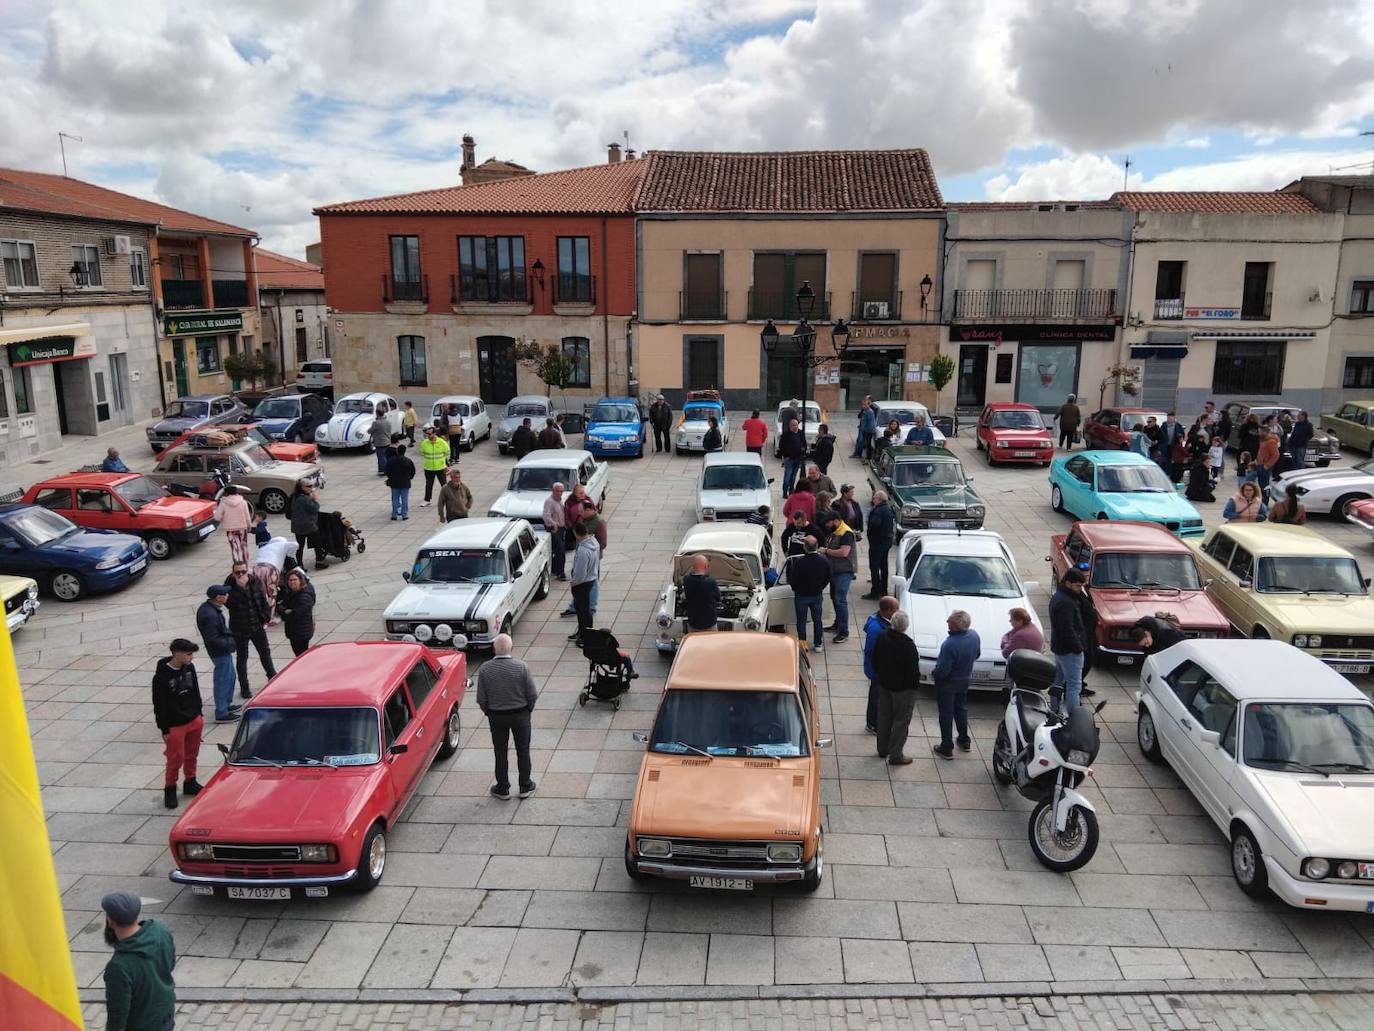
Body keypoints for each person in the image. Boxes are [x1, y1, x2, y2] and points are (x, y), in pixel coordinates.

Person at [100, 891, 176, 1031]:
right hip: (165, 1015)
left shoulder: (118, 967)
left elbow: (118, 1017)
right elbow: (170, 964)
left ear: (109, 921)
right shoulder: (160, 930)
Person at [476, 633, 539, 800]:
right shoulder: (521, 667)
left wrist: (489, 712)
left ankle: (503, 788)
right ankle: (525, 785)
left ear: (494, 648)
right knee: (523, 750)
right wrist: (528, 711)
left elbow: (481, 699)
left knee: (500, 751)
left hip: (497, 716)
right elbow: (532, 694)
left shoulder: (485, 669)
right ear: (511, 648)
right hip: (520, 714)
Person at [152, 638, 204, 809]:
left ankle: (190, 781)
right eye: (189, 654)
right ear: (177, 653)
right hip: (175, 724)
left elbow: (195, 690)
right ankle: (170, 789)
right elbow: (159, 705)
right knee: (175, 758)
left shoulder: (190, 668)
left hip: (194, 719)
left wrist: (199, 714)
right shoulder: (161, 677)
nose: (191, 658)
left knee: (192, 753)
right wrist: (164, 729)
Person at [873, 610, 921, 763]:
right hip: (904, 690)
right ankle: (896, 755)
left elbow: (874, 658)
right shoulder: (908, 645)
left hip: (885, 685)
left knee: (884, 717)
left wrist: (881, 675)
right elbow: (913, 671)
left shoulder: (882, 637)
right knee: (901, 722)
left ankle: (882, 749)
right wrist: (914, 687)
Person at [931, 610, 980, 759]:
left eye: (950, 621)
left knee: (946, 714)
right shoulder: (973, 636)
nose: (947, 621)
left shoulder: (950, 644)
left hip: (947, 684)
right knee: (961, 709)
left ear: (956, 626)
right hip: (964, 680)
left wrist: (935, 673)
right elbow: (977, 654)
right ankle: (964, 740)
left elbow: (943, 670)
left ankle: (946, 747)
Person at [226, 562, 276, 700]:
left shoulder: (254, 581)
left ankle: (272, 677)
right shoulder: (229, 586)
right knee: (242, 658)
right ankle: (244, 687)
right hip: (239, 628)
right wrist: (240, 589)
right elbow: (230, 604)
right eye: (237, 572)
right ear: (233, 573)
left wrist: (266, 616)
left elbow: (261, 598)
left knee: (265, 653)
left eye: (243, 571)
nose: (241, 575)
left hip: (256, 626)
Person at [196, 584, 239, 723]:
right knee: (223, 679)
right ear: (218, 597)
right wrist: (231, 643)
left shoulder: (210, 609)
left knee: (230, 676)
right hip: (220, 652)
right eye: (225, 594)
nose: (227, 596)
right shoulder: (210, 615)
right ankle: (222, 712)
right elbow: (213, 639)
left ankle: (226, 704)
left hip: (222, 650)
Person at [1048, 570, 1087, 714]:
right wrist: (1078, 647)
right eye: (1077, 586)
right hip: (1070, 651)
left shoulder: (1059, 596)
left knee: (1057, 682)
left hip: (1060, 648)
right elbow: (1067, 629)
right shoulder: (1066, 602)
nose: (1080, 589)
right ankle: (1074, 718)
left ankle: (1054, 710)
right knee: (1074, 687)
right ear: (1068, 583)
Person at [788, 536, 831, 652]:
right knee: (817, 620)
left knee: (801, 620)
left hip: (801, 595)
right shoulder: (824, 561)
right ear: (817, 546)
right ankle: (818, 644)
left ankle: (803, 643)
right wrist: (820, 587)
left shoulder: (799, 562)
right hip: (817, 594)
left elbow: (792, 579)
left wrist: (796, 588)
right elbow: (827, 577)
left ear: (804, 547)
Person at [862, 595, 898, 733]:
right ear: (888, 610)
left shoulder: (880, 622)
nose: (898, 611)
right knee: (876, 697)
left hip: (880, 669)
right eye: (896, 609)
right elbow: (870, 651)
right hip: (877, 670)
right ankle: (873, 724)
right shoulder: (876, 628)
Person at [820, 510, 856, 644]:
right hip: (834, 571)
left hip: (844, 571)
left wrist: (826, 551)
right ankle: (838, 624)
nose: (827, 526)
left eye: (829, 523)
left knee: (840, 600)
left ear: (835, 520)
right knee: (834, 598)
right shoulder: (836, 531)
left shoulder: (846, 533)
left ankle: (844, 631)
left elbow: (844, 552)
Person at [568, 520, 600, 646]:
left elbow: (580, 572)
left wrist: (574, 582)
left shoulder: (583, 550)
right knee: (583, 610)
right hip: (590, 579)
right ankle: (582, 632)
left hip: (582, 584)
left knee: (583, 611)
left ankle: (586, 635)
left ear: (576, 534)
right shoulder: (594, 542)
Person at [253, 535, 292, 623]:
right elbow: (295, 546)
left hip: (257, 568)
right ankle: (270, 617)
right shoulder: (283, 546)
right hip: (271, 569)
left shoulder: (264, 548)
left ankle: (259, 613)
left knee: (260, 592)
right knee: (271, 593)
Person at [864, 489, 894, 599]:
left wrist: (869, 525)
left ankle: (875, 591)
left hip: (877, 543)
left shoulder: (878, 511)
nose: (873, 500)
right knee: (884, 565)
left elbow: (874, 525)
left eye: (874, 498)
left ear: (879, 499)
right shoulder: (887, 508)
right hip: (886, 541)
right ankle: (883, 589)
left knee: (874, 566)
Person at [278, 567, 316, 655]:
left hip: (301, 633)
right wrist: (285, 610)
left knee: (301, 655)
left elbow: (294, 615)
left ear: (300, 580)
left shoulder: (304, 597)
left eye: (294, 580)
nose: (292, 582)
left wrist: (284, 613)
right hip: (294, 631)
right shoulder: (291, 592)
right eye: (290, 580)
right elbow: (281, 605)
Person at [289, 481, 326, 571]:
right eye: (309, 486)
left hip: (297, 526)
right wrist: (315, 500)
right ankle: (319, 562)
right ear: (302, 487)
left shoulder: (294, 496)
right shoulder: (304, 499)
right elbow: (314, 509)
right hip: (308, 525)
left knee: (300, 546)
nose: (311, 487)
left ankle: (300, 565)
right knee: (318, 543)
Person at [682, 554, 721, 632]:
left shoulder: (686, 580)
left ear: (693, 566)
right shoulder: (711, 582)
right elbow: (718, 598)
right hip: (709, 623)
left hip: (694, 622)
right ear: (706, 566)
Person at [214, 487, 252, 567]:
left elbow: (217, 517)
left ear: (226, 493)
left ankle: (238, 566)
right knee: (243, 546)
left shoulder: (223, 503)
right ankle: (245, 565)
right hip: (242, 528)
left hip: (230, 529)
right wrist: (249, 525)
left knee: (235, 548)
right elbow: (247, 516)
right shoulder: (243, 502)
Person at [418, 426, 451, 507]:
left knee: (444, 484)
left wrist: (445, 464)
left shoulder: (442, 442)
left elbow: (447, 452)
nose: (428, 436)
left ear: (434, 433)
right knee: (429, 484)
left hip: (440, 467)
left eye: (429, 434)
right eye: (427, 434)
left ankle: (448, 499)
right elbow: (422, 452)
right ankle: (427, 500)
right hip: (428, 468)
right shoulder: (424, 443)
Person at [385, 442, 416, 521]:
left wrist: (390, 478)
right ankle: (404, 515)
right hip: (405, 483)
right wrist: (409, 478)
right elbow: (413, 471)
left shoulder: (391, 460)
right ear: (404, 451)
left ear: (397, 451)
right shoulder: (408, 461)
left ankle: (394, 514)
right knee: (404, 499)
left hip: (394, 483)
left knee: (395, 499)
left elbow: (387, 471)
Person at [544, 482, 567, 580]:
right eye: (557, 491)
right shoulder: (549, 501)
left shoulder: (561, 500)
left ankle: (555, 569)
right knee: (560, 550)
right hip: (554, 529)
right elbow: (546, 516)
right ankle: (560, 572)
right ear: (553, 491)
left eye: (561, 491)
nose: (559, 493)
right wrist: (554, 523)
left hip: (562, 528)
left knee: (557, 550)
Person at [779, 417, 806, 497]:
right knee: (787, 476)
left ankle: (791, 490)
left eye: (796, 425)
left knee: (793, 476)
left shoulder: (800, 433)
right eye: (793, 425)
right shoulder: (786, 434)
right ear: (790, 426)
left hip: (798, 458)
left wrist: (803, 452)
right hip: (789, 459)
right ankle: (785, 491)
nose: (795, 427)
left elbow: (804, 443)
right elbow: (781, 446)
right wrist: (786, 454)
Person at [1255, 427, 1280, 501]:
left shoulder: (1271, 442)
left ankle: (1265, 501)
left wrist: (1266, 466)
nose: (1259, 433)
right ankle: (1263, 499)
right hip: (1260, 465)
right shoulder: (1263, 441)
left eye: (1260, 432)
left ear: (1264, 432)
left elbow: (1276, 455)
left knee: (1265, 485)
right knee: (1261, 484)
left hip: (1264, 466)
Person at [370, 410, 393, 476]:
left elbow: (370, 431)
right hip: (387, 441)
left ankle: (382, 470)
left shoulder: (376, 423)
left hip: (379, 442)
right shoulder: (387, 422)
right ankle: (388, 469)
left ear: (377, 414)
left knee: (381, 457)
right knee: (386, 456)